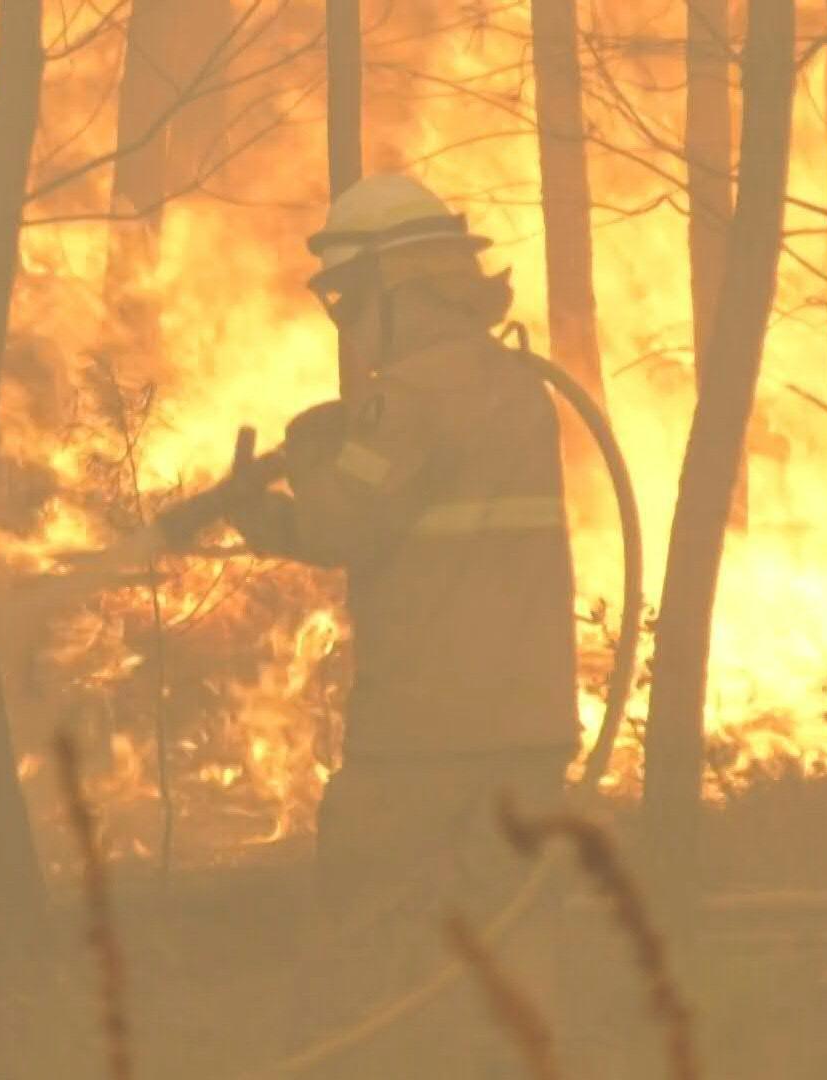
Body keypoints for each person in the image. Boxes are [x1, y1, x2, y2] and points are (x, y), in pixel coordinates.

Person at [226, 174, 580, 1074]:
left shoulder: (408, 398)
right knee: (513, 943)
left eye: (350, 300)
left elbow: (346, 524)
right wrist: (265, 518)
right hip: (530, 727)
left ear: (403, 286)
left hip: (421, 736)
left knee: (365, 943)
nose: (346, 322)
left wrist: (310, 460)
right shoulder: (515, 389)